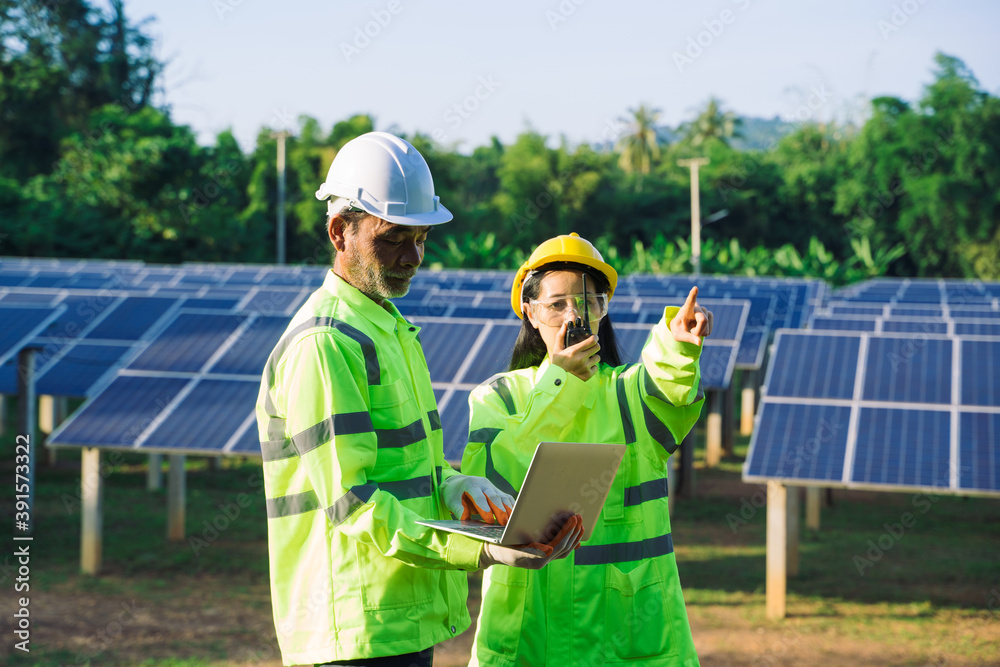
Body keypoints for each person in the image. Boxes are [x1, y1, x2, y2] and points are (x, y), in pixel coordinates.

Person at [256, 132, 582, 667]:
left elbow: (405, 476)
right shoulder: (327, 343)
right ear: (340, 231)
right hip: (352, 629)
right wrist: (477, 549)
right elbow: (354, 503)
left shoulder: (389, 331)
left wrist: (458, 490)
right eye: (393, 239)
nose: (413, 257)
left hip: (394, 621)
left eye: (422, 238)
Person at [461, 232, 713, 667]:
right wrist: (562, 382)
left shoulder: (629, 394)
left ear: (602, 312)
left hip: (626, 642)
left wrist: (677, 348)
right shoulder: (496, 398)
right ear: (530, 313)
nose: (573, 316)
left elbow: (668, 389)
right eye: (557, 304)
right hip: (527, 643)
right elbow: (497, 481)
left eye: (588, 302)